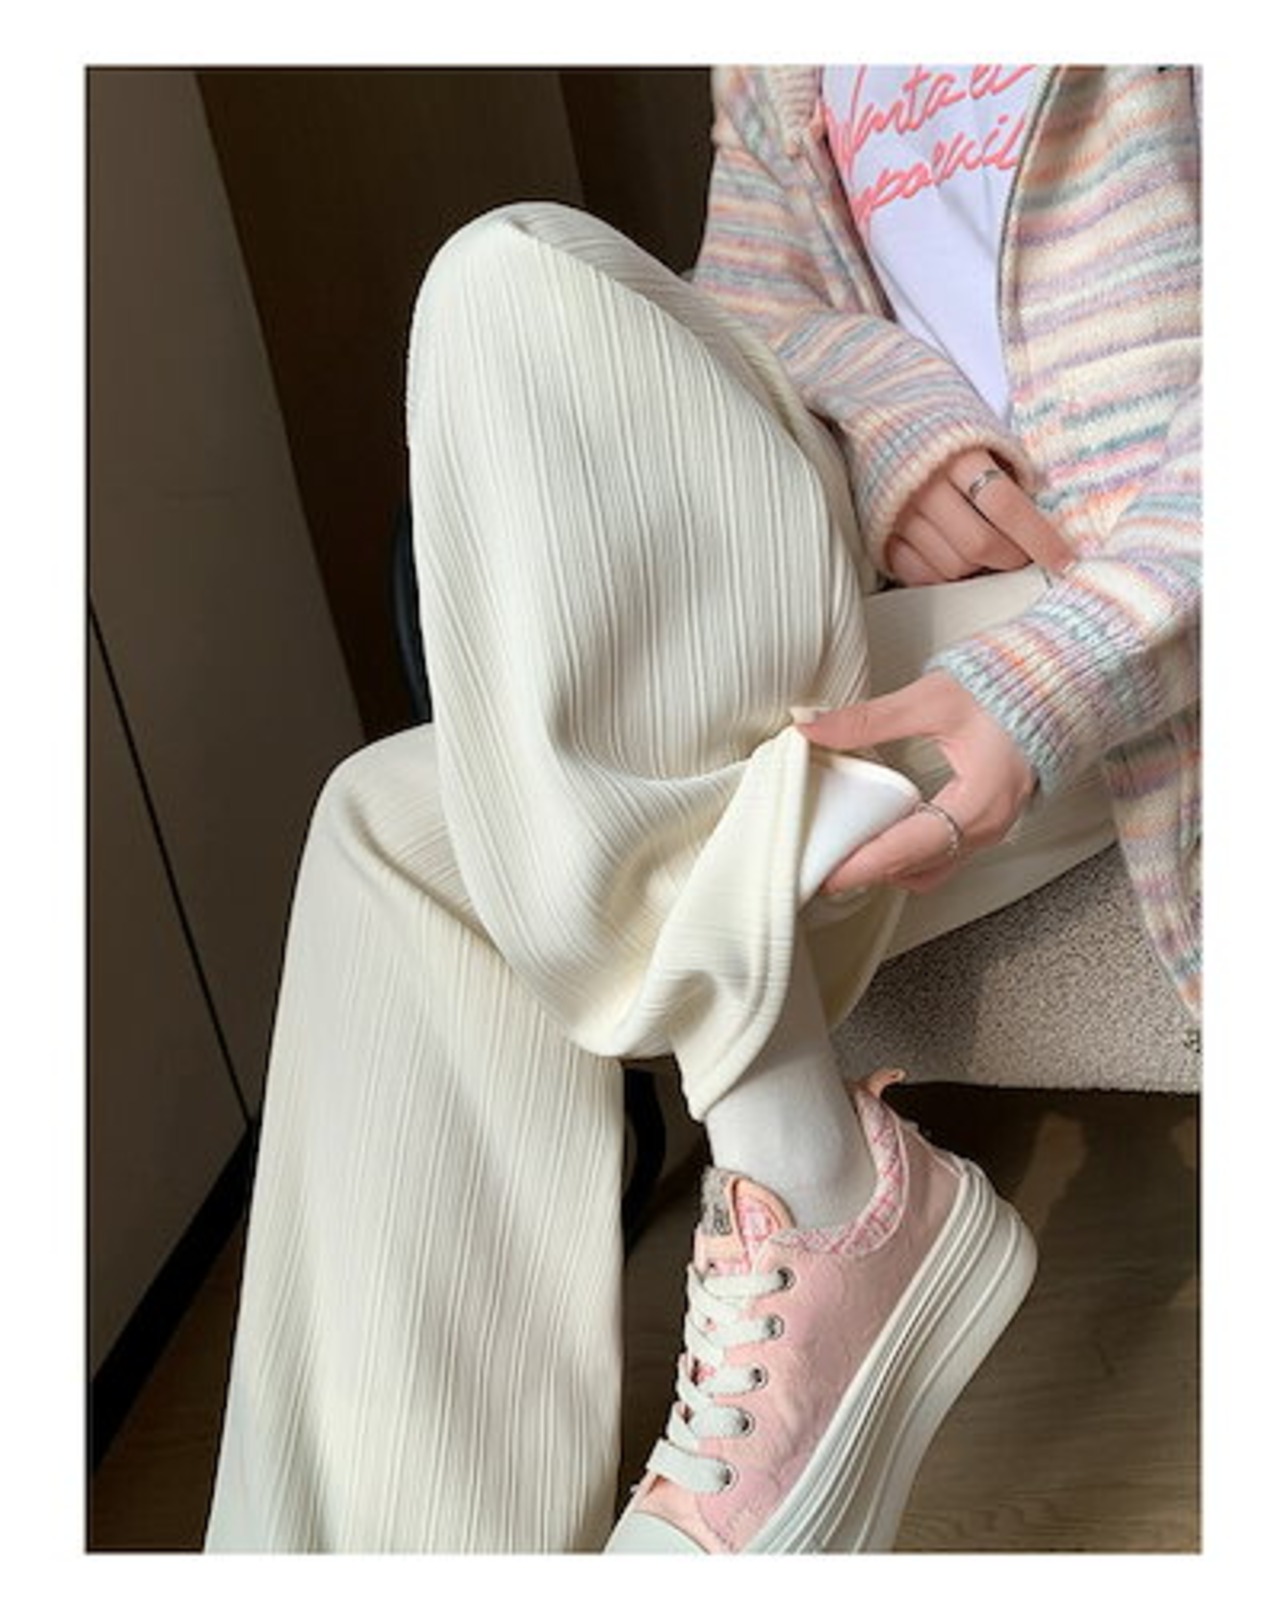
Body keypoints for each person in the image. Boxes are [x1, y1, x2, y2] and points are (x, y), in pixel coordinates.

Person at [203, 64, 1200, 1553]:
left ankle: (811, 1183)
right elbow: (747, 305)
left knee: (430, 829)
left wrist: (1066, 659)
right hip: (897, 615)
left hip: (1156, 610)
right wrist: (899, 426)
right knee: (509, 289)